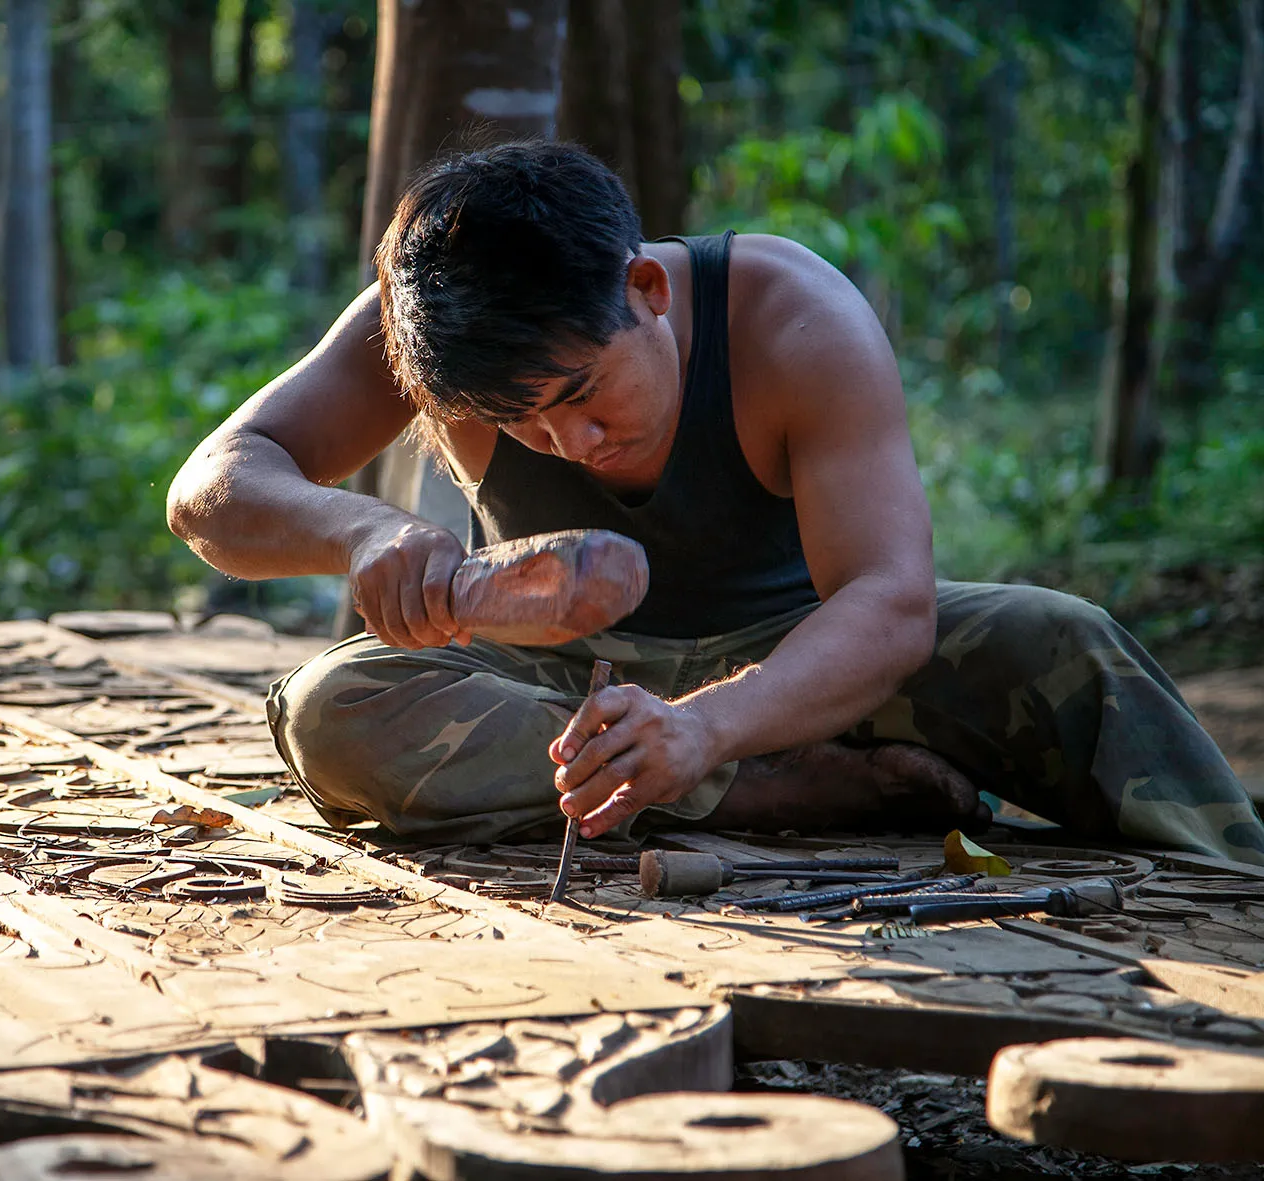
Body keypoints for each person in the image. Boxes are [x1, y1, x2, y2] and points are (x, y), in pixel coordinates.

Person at [166, 140, 1264, 865]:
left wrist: (705, 729)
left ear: (645, 289)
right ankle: (768, 796)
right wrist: (361, 527)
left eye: (581, 394)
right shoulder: (420, 331)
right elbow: (208, 488)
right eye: (523, 425)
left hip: (802, 669)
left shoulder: (791, 318)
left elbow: (886, 605)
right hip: (566, 687)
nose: (569, 444)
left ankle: (1234, 879)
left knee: (1058, 639)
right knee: (330, 708)